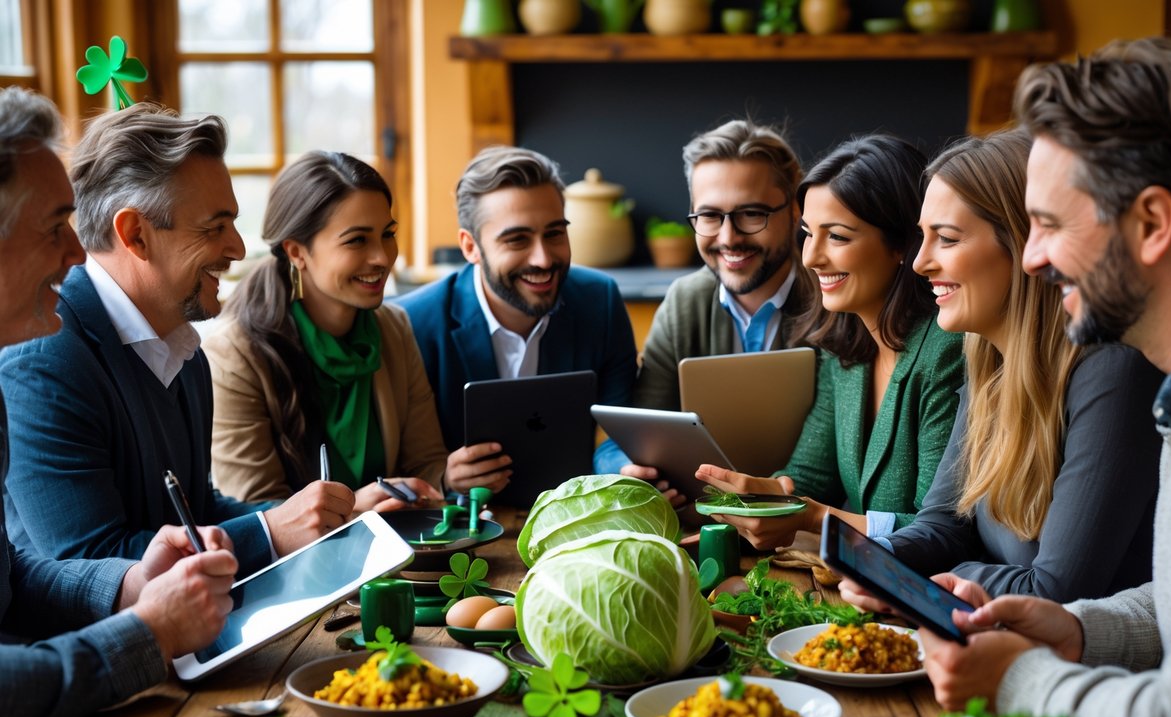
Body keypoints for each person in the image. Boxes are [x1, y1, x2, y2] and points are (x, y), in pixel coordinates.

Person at [915, 38, 1171, 717]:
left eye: (1046, 224)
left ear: (1150, 222)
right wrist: (1080, 630)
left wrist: (1017, 678)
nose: (1031, 260)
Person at [0, 102, 351, 578]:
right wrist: (270, 531)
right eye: (214, 227)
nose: (238, 248)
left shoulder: (182, 348)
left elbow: (197, 508)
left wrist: (321, 516)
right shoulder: (43, 360)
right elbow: (88, 560)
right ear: (136, 235)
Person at [0, 86, 238, 717]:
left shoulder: (184, 349)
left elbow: (11, 576)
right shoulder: (35, 358)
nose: (79, 254)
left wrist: (132, 583)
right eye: (56, 229)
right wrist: (149, 631)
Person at [839, 130, 1160, 602]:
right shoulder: (990, 361)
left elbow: (1055, 589)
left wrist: (922, 583)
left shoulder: (1112, 372)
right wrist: (875, 557)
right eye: (921, 238)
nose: (920, 263)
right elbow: (944, 524)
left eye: (945, 238)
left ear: (1023, 246)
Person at [698, 135, 965, 544]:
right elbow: (812, 476)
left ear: (902, 244)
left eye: (837, 236)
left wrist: (813, 516)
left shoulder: (946, 351)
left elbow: (936, 532)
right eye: (808, 233)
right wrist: (769, 493)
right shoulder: (845, 341)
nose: (810, 257)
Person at [204, 151, 456, 506]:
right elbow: (253, 511)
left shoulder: (393, 328)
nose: (383, 258)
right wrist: (353, 511)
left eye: (388, 234)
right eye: (356, 240)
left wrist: (448, 476)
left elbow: (423, 464)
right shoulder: (233, 355)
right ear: (296, 252)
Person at [396, 145, 636, 496]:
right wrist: (446, 478)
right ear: (470, 247)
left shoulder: (601, 301)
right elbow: (398, 465)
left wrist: (623, 469)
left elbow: (619, 431)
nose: (543, 259)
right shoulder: (413, 323)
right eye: (517, 239)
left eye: (555, 233)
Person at [595, 118, 814, 483]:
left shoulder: (832, 299)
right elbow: (629, 437)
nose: (729, 238)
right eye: (710, 216)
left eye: (751, 214)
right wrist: (628, 469)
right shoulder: (685, 302)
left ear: (795, 211)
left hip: (808, 515)